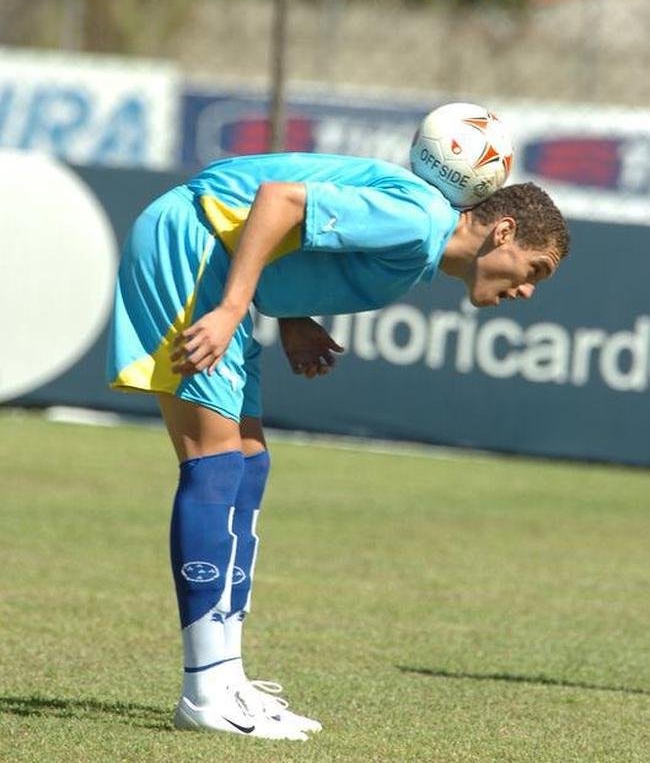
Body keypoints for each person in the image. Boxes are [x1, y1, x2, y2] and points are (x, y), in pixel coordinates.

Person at [106, 150, 569, 742]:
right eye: (536, 269)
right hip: (193, 245)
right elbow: (279, 200)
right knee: (213, 461)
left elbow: (299, 234)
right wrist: (231, 308)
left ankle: (226, 678)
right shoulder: (420, 220)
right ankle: (204, 689)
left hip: (217, 259)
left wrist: (291, 315)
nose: (528, 290)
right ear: (502, 232)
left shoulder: (420, 239)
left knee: (247, 461)